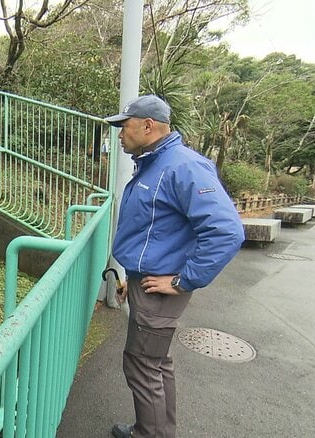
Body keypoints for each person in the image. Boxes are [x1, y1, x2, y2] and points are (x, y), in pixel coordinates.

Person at [104, 95, 245, 438]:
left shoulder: (182, 166)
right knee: (156, 362)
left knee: (142, 365)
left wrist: (184, 281)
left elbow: (226, 231)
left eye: (125, 126)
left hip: (161, 290)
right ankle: (157, 431)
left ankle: (148, 434)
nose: (120, 134)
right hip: (147, 282)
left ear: (148, 126)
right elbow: (154, 230)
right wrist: (131, 277)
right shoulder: (156, 163)